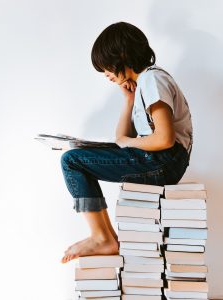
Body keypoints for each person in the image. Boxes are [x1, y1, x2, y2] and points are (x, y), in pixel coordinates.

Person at [60, 22, 193, 264]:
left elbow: (164, 138)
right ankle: (106, 236)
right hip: (159, 159)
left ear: (122, 56)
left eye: (105, 67)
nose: (106, 75)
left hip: (165, 160)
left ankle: (102, 237)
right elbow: (121, 138)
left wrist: (127, 142)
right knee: (77, 155)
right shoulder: (144, 85)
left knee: (72, 162)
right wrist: (129, 100)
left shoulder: (153, 79)